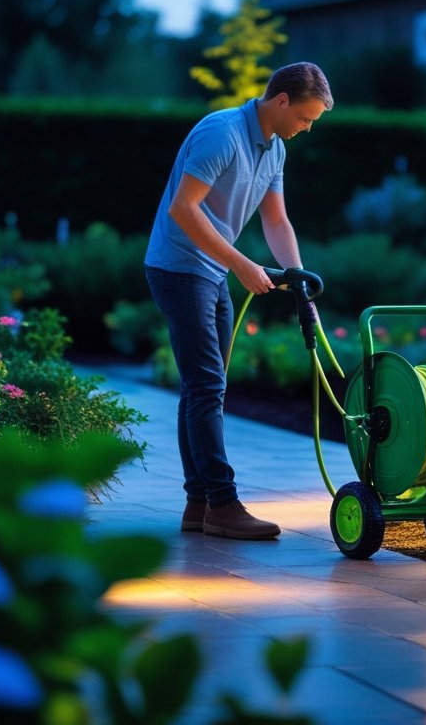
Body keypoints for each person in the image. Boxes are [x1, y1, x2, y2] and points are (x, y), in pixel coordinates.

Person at [144, 62, 333, 540]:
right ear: (282, 100)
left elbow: (276, 221)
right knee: (207, 385)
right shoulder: (222, 133)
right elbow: (183, 208)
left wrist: (298, 278)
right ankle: (223, 504)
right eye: (305, 117)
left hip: (212, 270)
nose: (307, 128)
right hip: (178, 267)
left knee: (205, 388)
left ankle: (199, 504)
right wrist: (243, 265)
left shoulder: (275, 148)